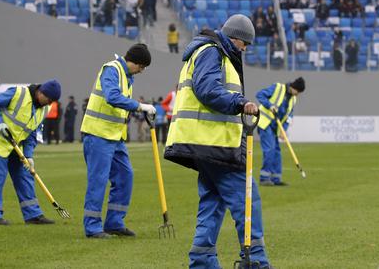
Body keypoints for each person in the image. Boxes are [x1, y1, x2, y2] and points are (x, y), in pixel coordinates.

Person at [164, 14, 271, 268]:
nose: (245, 49)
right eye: (245, 44)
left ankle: (202, 261)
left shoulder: (211, 51)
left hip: (205, 143)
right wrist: (240, 102)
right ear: (236, 38)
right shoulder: (212, 51)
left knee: (212, 203)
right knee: (247, 199)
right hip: (213, 144)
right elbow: (207, 89)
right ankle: (256, 261)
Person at [81, 43, 155, 238]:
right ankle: (92, 227)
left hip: (115, 137)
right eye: (141, 67)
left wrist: (140, 110)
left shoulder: (127, 76)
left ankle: (114, 222)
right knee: (98, 180)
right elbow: (112, 97)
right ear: (134, 62)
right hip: (98, 134)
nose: (142, 71)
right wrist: (140, 106)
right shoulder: (112, 69)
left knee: (125, 176)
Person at [0, 80, 61, 225]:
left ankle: (33, 214)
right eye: (48, 100)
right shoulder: (18, 93)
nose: (49, 104)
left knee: (25, 177)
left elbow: (32, 133)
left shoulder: (44, 109)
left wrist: (29, 156)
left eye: (52, 102)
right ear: (41, 92)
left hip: (16, 145)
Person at [256, 77, 305, 186]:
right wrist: (270, 106)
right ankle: (264, 178)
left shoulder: (293, 99)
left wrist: (284, 130)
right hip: (265, 124)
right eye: (298, 91)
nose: (298, 94)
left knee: (277, 152)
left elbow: (289, 116)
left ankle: (276, 179)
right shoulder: (277, 88)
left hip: (276, 128)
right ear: (293, 87)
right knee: (270, 150)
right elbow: (259, 94)